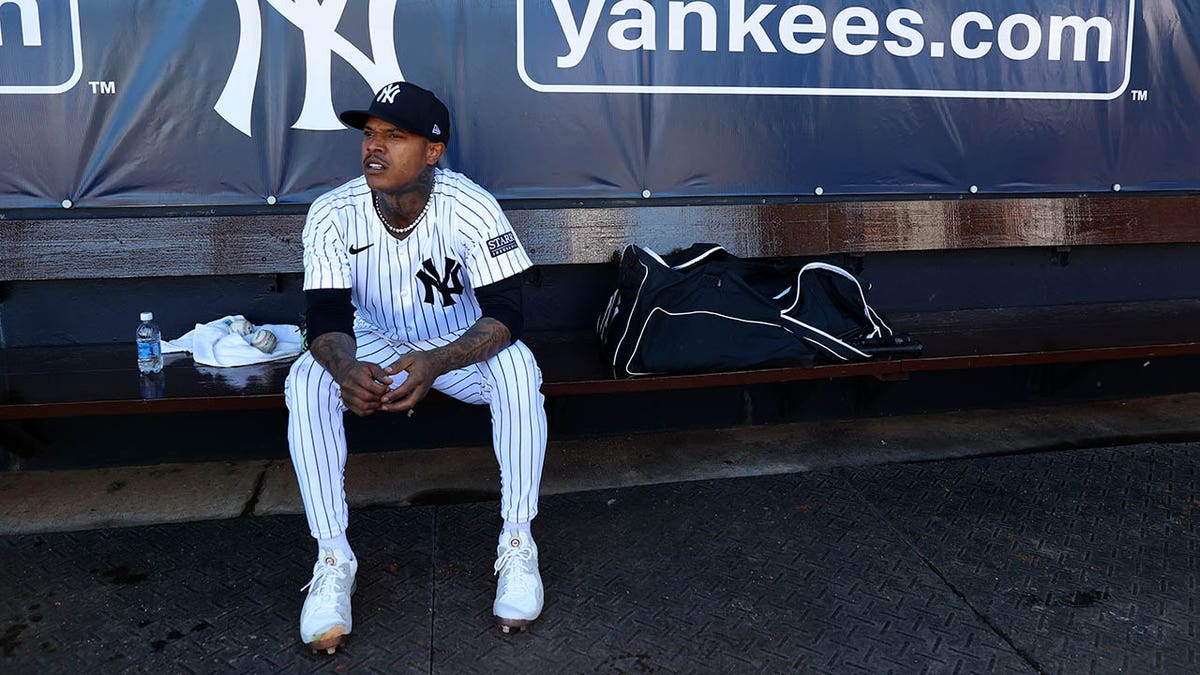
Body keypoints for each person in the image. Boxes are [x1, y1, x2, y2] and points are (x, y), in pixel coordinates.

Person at [284, 81, 548, 653]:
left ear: (433, 151)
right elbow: (323, 312)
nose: (374, 148)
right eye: (370, 135)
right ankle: (333, 559)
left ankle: (518, 544)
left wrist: (435, 362)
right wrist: (343, 367)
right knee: (306, 380)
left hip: (456, 346)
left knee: (520, 371)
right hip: (373, 343)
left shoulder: (470, 206)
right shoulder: (333, 212)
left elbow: (509, 311)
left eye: (394, 137)